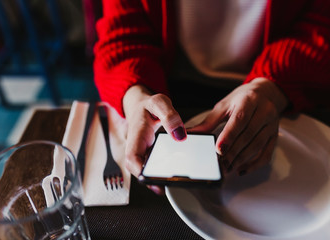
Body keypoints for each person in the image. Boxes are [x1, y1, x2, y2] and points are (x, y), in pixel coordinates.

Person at [93, 0, 330, 193]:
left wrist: (272, 87)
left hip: (285, 85)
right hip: (169, 88)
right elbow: (123, 35)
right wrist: (137, 97)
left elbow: (321, 27)